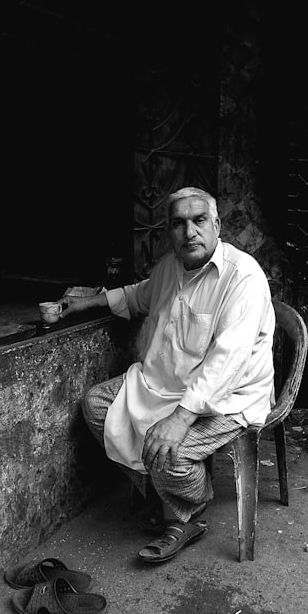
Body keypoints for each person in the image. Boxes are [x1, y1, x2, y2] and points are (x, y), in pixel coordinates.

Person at [58, 187, 275, 564]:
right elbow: (137, 295)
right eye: (179, 224)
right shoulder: (169, 268)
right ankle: (167, 495)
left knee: (169, 454)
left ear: (217, 225)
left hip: (228, 394)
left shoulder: (243, 277)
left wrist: (179, 419)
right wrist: (87, 303)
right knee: (97, 406)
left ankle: (189, 507)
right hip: (164, 384)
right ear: (169, 232)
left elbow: (228, 361)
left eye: (199, 220)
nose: (190, 232)